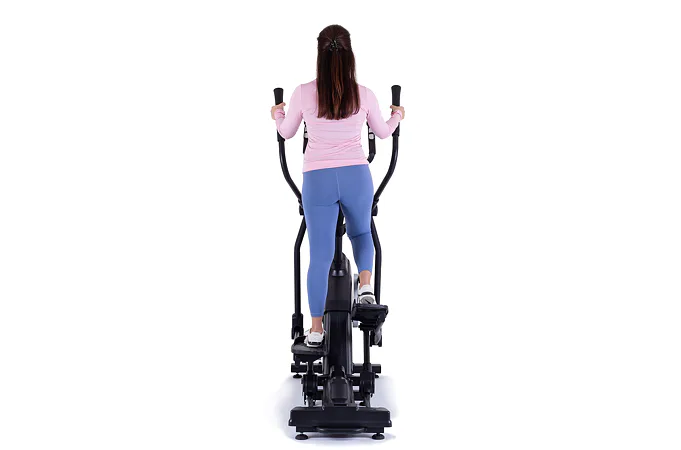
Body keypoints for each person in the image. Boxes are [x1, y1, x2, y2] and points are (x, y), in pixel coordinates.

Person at [271, 25, 405, 347]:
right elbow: (383, 133)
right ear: (350, 56)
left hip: (317, 179)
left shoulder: (303, 93)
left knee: (319, 255)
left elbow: (287, 132)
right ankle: (366, 286)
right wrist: (397, 116)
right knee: (361, 233)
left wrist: (278, 115)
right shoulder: (364, 94)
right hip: (356, 175)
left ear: (319, 55)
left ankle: (316, 330)